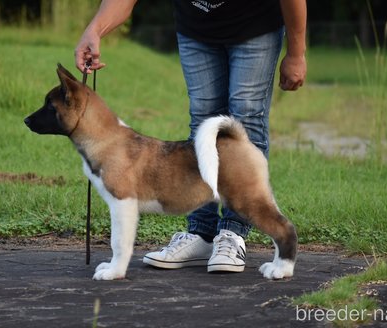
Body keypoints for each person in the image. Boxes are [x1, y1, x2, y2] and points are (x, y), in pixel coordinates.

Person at [75, 0, 307, 273]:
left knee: (245, 117)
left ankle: (233, 233)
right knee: (204, 120)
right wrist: (95, 29)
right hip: (196, 29)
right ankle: (202, 233)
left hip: (254, 24)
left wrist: (296, 52)